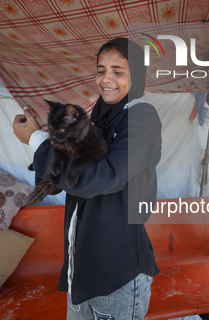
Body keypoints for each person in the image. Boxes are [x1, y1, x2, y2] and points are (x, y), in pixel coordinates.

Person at [12, 37, 162, 320]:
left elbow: (103, 177)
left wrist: (35, 139)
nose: (107, 79)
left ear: (137, 74)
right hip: (80, 268)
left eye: (118, 71)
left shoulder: (142, 119)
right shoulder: (100, 119)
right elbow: (76, 174)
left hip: (117, 275)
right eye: (100, 70)